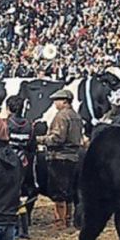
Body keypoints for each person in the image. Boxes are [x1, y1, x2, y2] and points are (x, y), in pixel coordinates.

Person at [36, 89, 84, 229]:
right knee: (68, 190)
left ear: (64, 101)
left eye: (57, 100)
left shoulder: (62, 116)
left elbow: (57, 138)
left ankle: (60, 222)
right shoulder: (75, 116)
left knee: (59, 191)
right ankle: (68, 219)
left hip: (59, 157)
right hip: (73, 156)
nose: (55, 103)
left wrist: (38, 139)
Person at [5, 95, 36, 239]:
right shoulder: (29, 125)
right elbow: (32, 146)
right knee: (22, 195)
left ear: (8, 108)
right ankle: (24, 228)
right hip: (24, 162)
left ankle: (13, 227)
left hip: (7, 162)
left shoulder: (6, 124)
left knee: (8, 194)